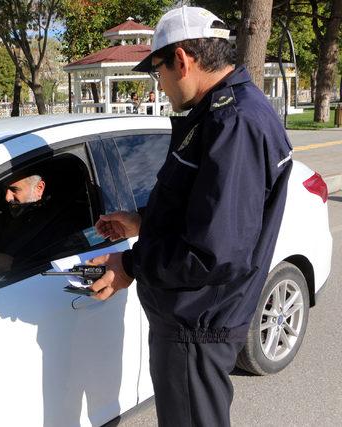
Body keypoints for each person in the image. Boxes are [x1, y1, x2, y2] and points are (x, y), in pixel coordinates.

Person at [88, 6, 293, 426]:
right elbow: (209, 211)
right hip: (195, 322)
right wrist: (143, 221)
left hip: (196, 325)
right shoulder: (222, 114)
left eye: (157, 70)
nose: (159, 84)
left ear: (181, 60)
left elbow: (213, 252)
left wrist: (129, 264)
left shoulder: (233, 122)